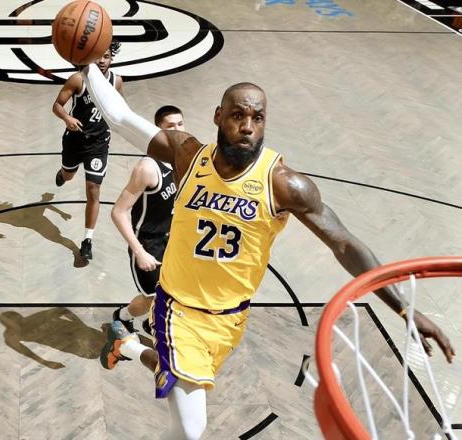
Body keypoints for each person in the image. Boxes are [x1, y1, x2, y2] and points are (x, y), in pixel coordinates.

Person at [81, 65, 455, 440]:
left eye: (257, 118)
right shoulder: (188, 155)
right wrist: (88, 64)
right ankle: (133, 345)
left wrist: (404, 307)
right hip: (177, 308)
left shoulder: (284, 184)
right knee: (190, 429)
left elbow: (343, 243)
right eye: (238, 116)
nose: (247, 127)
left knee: (180, 382)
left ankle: (127, 346)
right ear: (218, 116)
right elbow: (120, 117)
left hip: (230, 318)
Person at [111, 106, 185, 335]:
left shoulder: (182, 160)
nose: (177, 129)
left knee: (175, 292)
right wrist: (139, 252)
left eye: (180, 123)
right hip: (147, 243)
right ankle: (122, 316)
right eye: (170, 126)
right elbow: (118, 212)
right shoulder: (147, 168)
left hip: (172, 240)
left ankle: (151, 322)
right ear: (158, 131)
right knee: (150, 298)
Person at [52, 40, 123, 260]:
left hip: (98, 144)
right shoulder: (78, 79)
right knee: (68, 175)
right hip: (75, 140)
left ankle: (87, 240)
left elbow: (119, 108)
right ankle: (63, 174)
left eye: (106, 56)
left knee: (93, 189)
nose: (102, 61)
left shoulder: (116, 81)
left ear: (112, 58)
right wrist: (67, 118)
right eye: (98, 56)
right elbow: (57, 105)